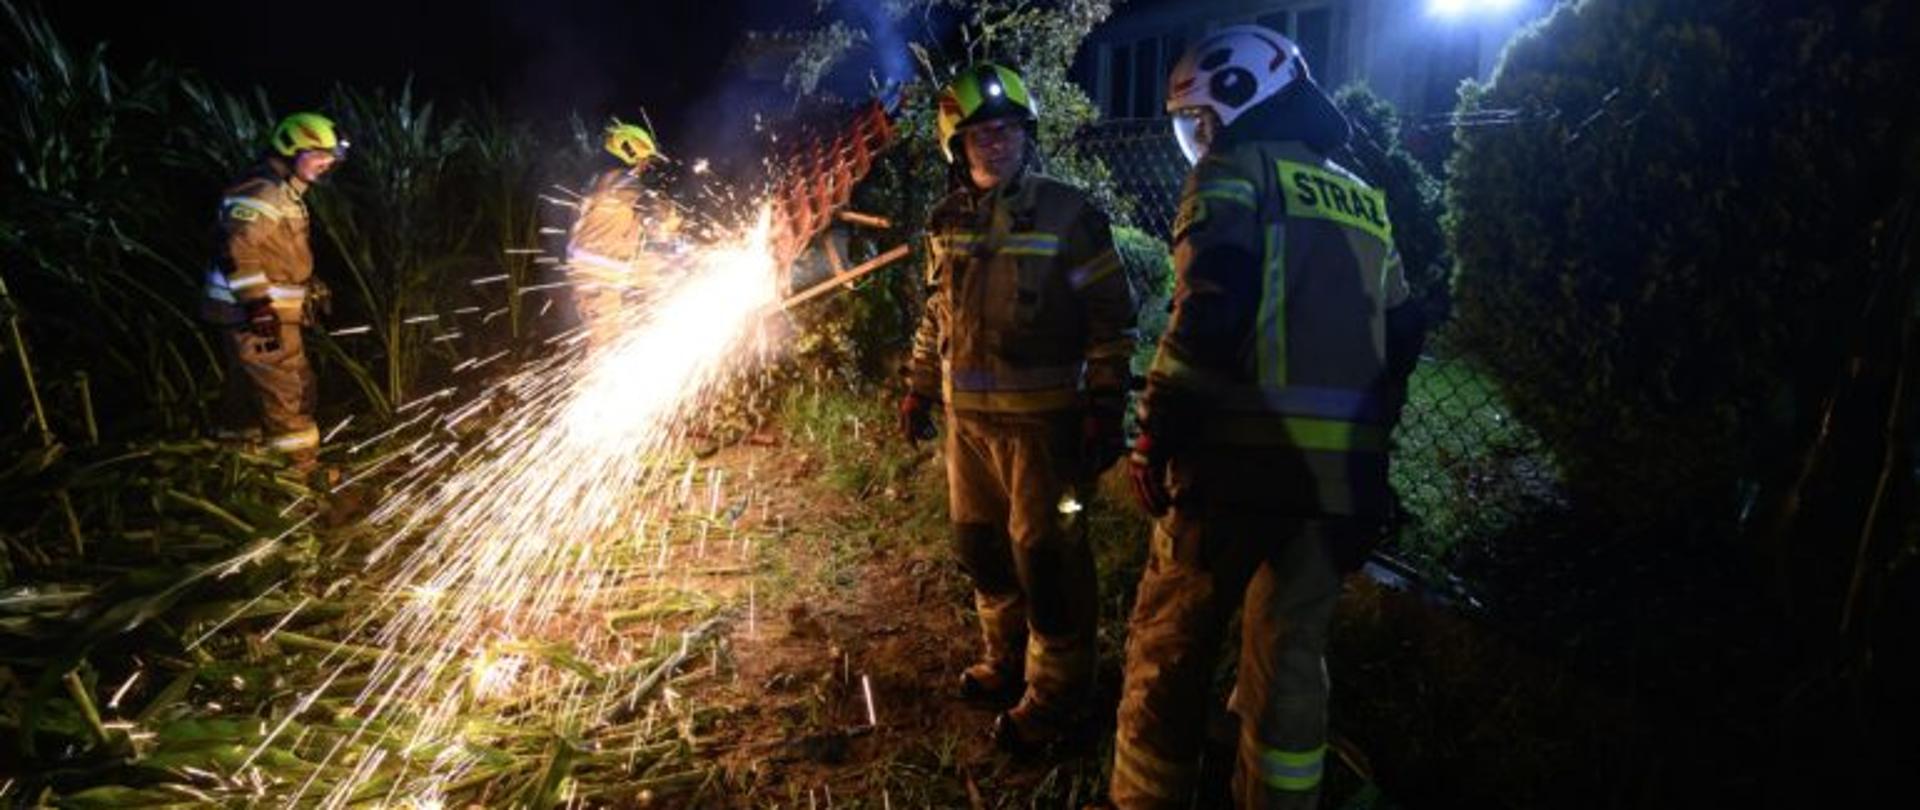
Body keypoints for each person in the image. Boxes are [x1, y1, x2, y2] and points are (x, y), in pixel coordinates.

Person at [1104, 25, 1425, 809]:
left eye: (1201, 119)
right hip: (1335, 484)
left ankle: (1144, 798)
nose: (1199, 138)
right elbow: (1404, 333)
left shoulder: (1231, 173)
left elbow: (1207, 311)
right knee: (1290, 664)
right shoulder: (1362, 196)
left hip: (1232, 469)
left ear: (1240, 96)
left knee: (1171, 646)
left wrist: (1155, 433)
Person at [900, 62, 1139, 751]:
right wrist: (918, 386)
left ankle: (1058, 693)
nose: (998, 142)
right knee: (980, 549)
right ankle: (1004, 660)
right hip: (968, 429)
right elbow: (936, 315)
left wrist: (1104, 403)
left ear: (1026, 135)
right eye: (983, 134)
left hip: (1044, 429)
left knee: (1047, 559)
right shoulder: (945, 221)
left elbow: (1112, 319)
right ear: (957, 144)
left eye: (1009, 129)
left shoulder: (1070, 214)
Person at [203, 111, 346, 473]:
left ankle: (239, 464)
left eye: (331, 157)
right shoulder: (263, 191)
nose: (327, 163)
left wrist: (306, 284)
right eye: (318, 154)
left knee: (247, 390)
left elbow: (274, 252)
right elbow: (237, 248)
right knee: (288, 388)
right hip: (255, 316)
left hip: (257, 313)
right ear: (289, 149)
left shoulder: (284, 192)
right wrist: (258, 305)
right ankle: (301, 475)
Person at [566, 118, 680, 350]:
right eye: (645, 161)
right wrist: (675, 217)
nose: (646, 167)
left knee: (671, 273)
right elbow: (658, 211)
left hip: (606, 266)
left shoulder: (604, 180)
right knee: (605, 346)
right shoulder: (618, 182)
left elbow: (648, 224)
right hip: (597, 275)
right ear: (631, 154)